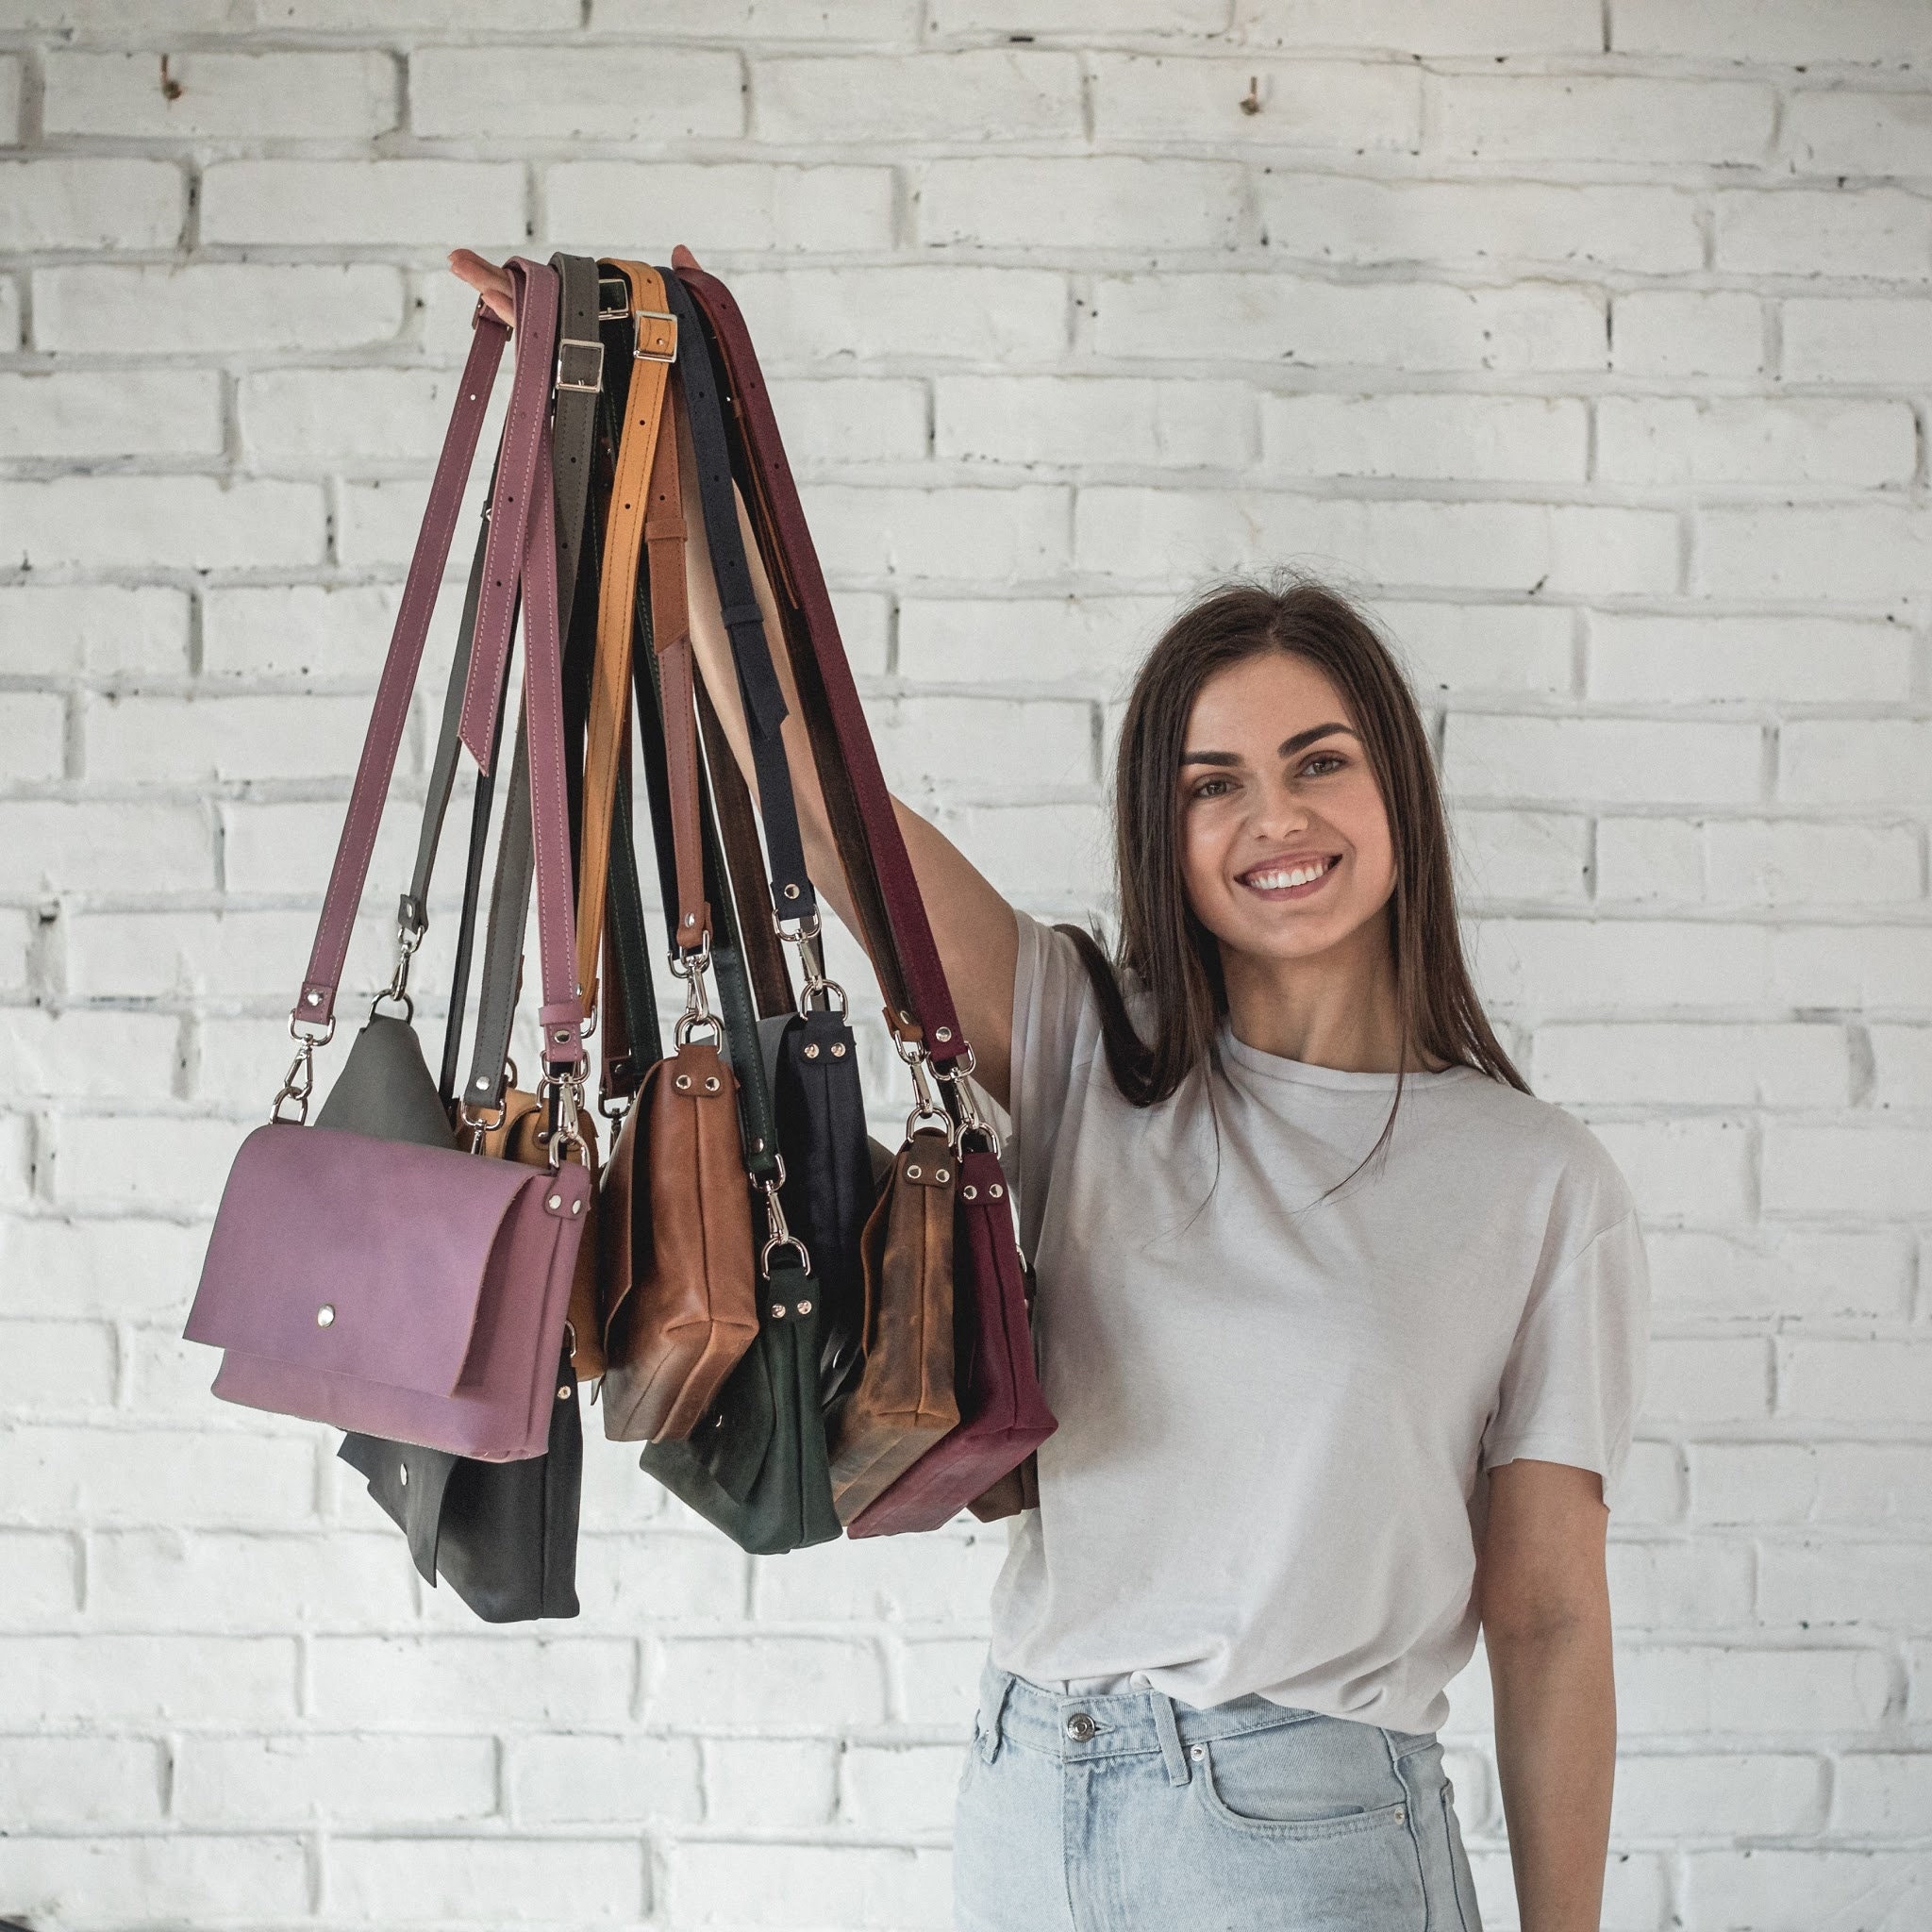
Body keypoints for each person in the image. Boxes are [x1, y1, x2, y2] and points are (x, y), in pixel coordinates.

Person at [452, 251, 1651, 1932]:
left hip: (1305, 1823)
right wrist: (628, 418)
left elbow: (1548, 1618)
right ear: (1165, 836)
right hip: (1030, 1782)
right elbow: (802, 796)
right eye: (1211, 784)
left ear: (1401, 790)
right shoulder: (1087, 1040)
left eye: (1320, 763)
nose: (1273, 822)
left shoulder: (1538, 1184)